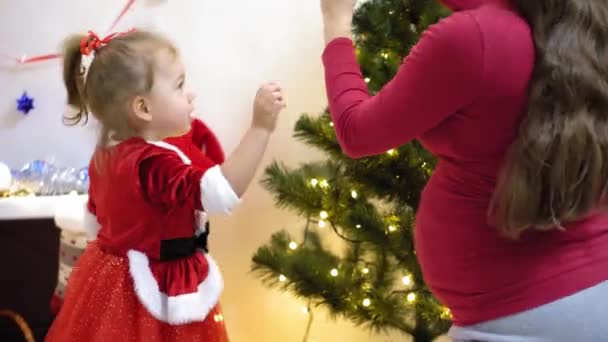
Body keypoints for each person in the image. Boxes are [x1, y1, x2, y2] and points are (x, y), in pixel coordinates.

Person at [319, 0, 608, 340]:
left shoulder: (470, 39)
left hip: (522, 316)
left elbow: (357, 132)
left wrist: (335, 23)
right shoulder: (582, 17)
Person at [45, 29, 285, 341]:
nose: (191, 94)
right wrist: (261, 127)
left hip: (109, 280)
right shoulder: (152, 164)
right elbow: (219, 192)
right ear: (143, 108)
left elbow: (96, 218)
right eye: (180, 84)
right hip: (155, 294)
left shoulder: (107, 154)